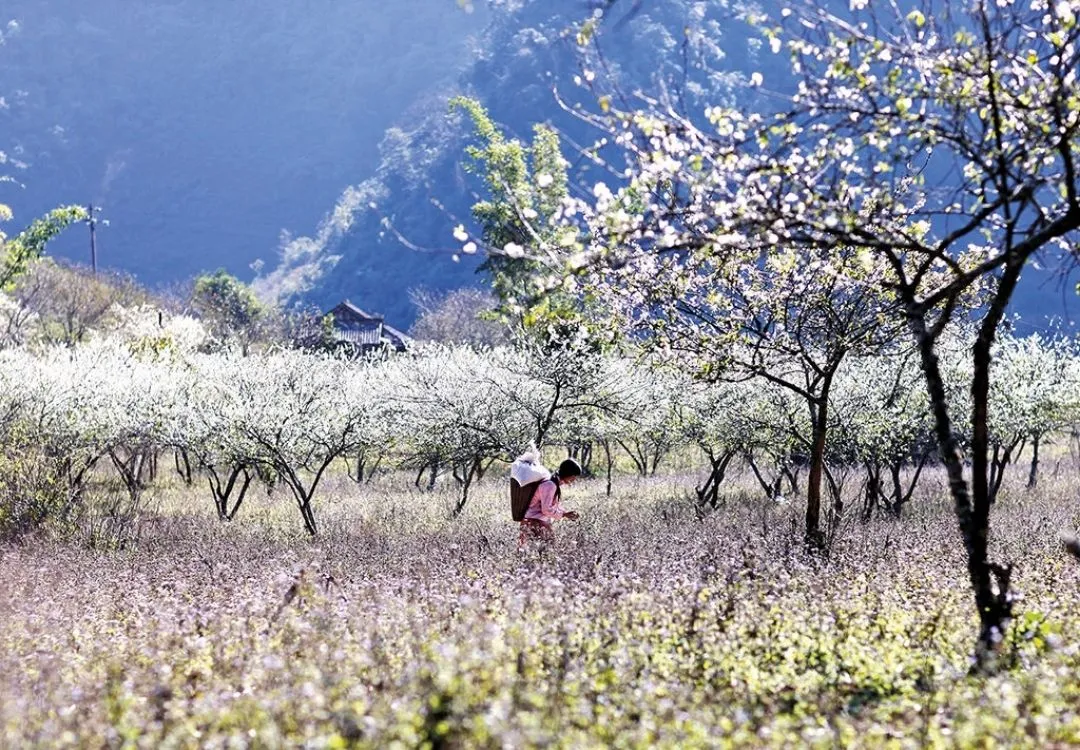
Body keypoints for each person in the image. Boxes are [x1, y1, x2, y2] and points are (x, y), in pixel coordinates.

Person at [519, 458, 581, 547]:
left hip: (531, 520)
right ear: (568, 473)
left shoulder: (553, 483)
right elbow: (546, 510)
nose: (574, 479)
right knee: (548, 550)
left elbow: (552, 505)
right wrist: (564, 515)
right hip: (534, 521)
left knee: (531, 552)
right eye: (574, 476)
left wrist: (565, 513)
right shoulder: (550, 485)